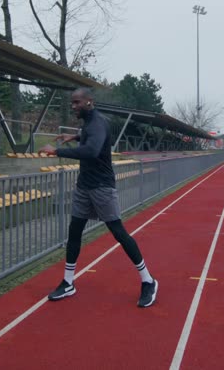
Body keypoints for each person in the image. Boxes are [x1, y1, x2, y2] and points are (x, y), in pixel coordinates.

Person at [39, 87, 158, 307]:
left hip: (102, 187)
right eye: (72, 103)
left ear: (89, 102)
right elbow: (89, 137)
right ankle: (68, 282)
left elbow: (91, 151)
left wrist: (56, 151)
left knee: (119, 233)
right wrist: (73, 136)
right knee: (74, 232)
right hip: (84, 186)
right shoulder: (89, 123)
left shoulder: (97, 123)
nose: (73, 106)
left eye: (77, 103)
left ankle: (148, 281)